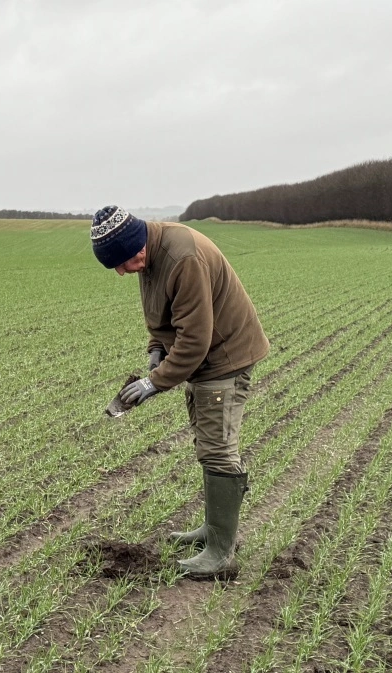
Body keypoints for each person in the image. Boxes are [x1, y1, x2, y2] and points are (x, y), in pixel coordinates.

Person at [91, 205, 269, 579]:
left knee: (218, 448)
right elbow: (164, 317)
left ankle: (221, 552)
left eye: (122, 263)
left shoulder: (182, 258)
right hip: (206, 360)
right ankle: (215, 529)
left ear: (137, 246)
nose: (122, 272)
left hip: (224, 357)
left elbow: (195, 340)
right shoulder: (149, 255)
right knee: (207, 442)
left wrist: (154, 382)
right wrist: (156, 350)